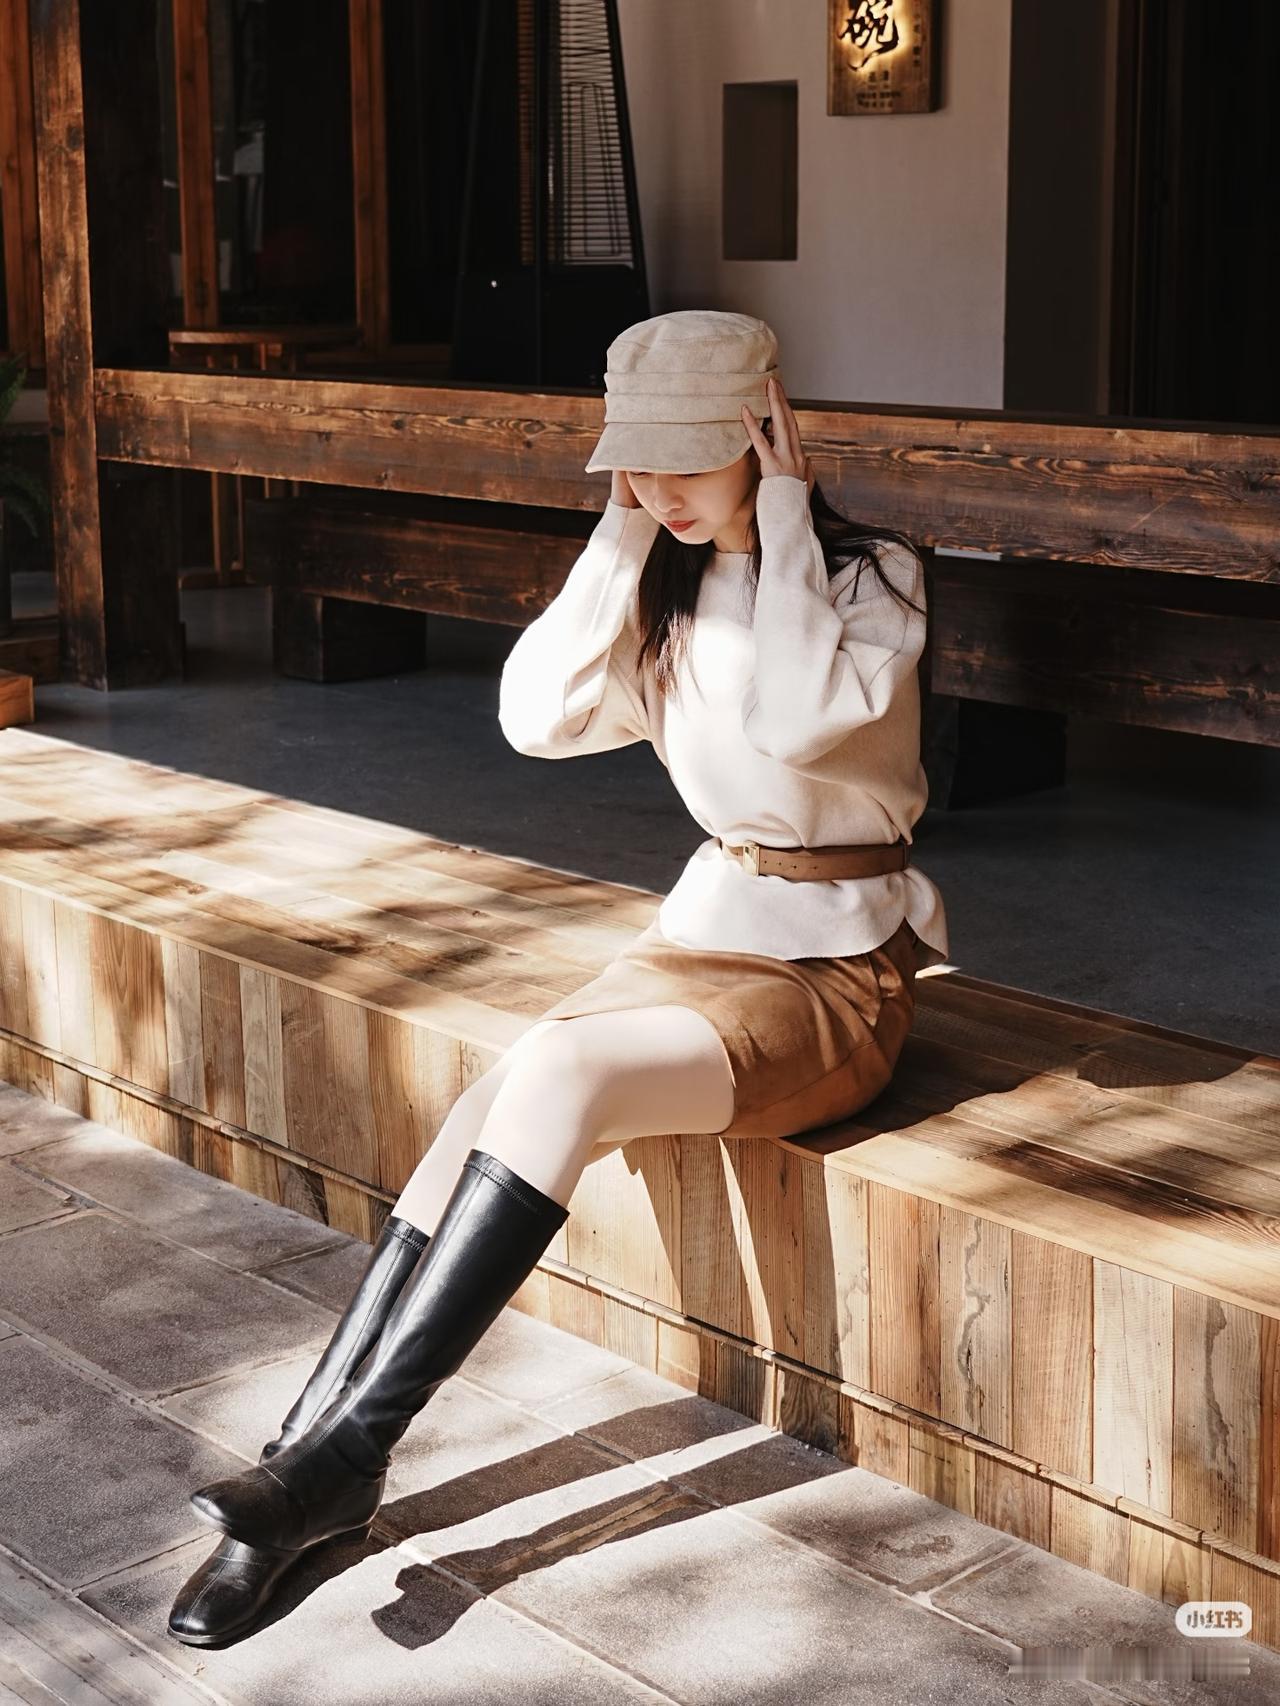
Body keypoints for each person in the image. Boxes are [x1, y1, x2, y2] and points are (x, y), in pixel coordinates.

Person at [167, 309, 949, 1645]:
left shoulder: (873, 581)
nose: (657, 489)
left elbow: (795, 721)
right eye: (634, 462)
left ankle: (342, 1459)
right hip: (705, 935)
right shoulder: (662, 586)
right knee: (502, 1092)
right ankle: (306, 1468)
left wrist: (780, 515)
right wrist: (623, 535)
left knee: (565, 1066)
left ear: (762, 430)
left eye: (683, 460)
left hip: (836, 970)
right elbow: (533, 718)